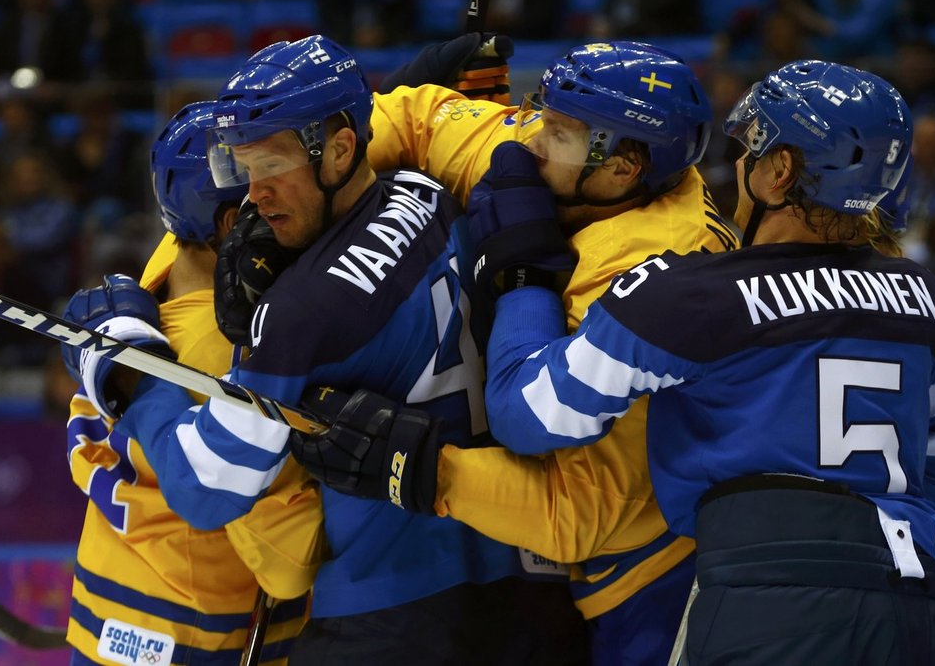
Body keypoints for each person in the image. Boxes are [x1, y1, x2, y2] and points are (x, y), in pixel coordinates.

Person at [303, 60, 935, 664]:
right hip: (927, 603)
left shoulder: (691, 289)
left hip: (764, 595)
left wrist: (521, 277)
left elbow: (529, 416)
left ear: (777, 172)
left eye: (749, 153)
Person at [63, 35, 585, 666]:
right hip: (533, 588)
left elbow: (207, 486)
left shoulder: (296, 317)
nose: (255, 195)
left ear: (340, 149)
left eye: (272, 165)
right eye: (244, 170)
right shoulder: (429, 187)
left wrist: (130, 370)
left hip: (391, 616)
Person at [294, 39, 737, 665]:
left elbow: (580, 505)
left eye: (557, 132)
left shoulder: (649, 268)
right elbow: (412, 118)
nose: (530, 142)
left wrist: (429, 470)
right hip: (589, 573)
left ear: (624, 166)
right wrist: (312, 192)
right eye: (541, 116)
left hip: (664, 571)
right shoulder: (577, 161)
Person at [61, 101, 320, 666]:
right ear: (233, 223)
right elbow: (288, 563)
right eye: (266, 185)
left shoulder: (152, 278)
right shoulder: (226, 347)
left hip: (105, 616)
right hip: (198, 641)